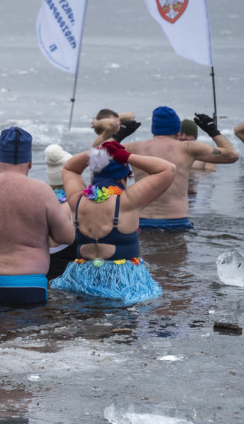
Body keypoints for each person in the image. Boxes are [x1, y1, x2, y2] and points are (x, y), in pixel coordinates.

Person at [0, 127, 75, 304]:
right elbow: (66, 237)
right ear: (30, 163)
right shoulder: (41, 191)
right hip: (28, 283)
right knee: (30, 330)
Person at [50, 141, 175, 303]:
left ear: (95, 175)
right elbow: (168, 169)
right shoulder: (127, 201)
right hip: (120, 282)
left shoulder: (77, 199)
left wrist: (96, 153)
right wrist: (127, 156)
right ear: (123, 177)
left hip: (83, 278)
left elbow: (69, 168)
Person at [124, 106, 239, 230]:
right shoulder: (188, 148)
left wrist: (119, 135)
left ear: (154, 130)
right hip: (177, 222)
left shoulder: (133, 148)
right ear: (177, 131)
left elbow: (101, 153)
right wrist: (212, 131)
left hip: (140, 222)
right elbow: (232, 155)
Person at [44, 144, 76, 280]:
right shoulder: (73, 203)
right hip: (63, 267)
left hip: (41, 262)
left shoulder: (43, 197)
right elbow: (55, 242)